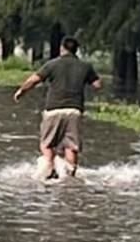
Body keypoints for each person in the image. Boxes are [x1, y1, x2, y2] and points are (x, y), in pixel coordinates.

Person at [14, 36, 102, 179]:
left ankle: (48, 165)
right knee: (71, 146)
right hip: (74, 110)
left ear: (62, 48)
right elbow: (98, 85)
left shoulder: (52, 64)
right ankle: (70, 175)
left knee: (46, 144)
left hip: (54, 109)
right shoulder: (85, 66)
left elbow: (34, 80)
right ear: (76, 50)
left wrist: (21, 91)